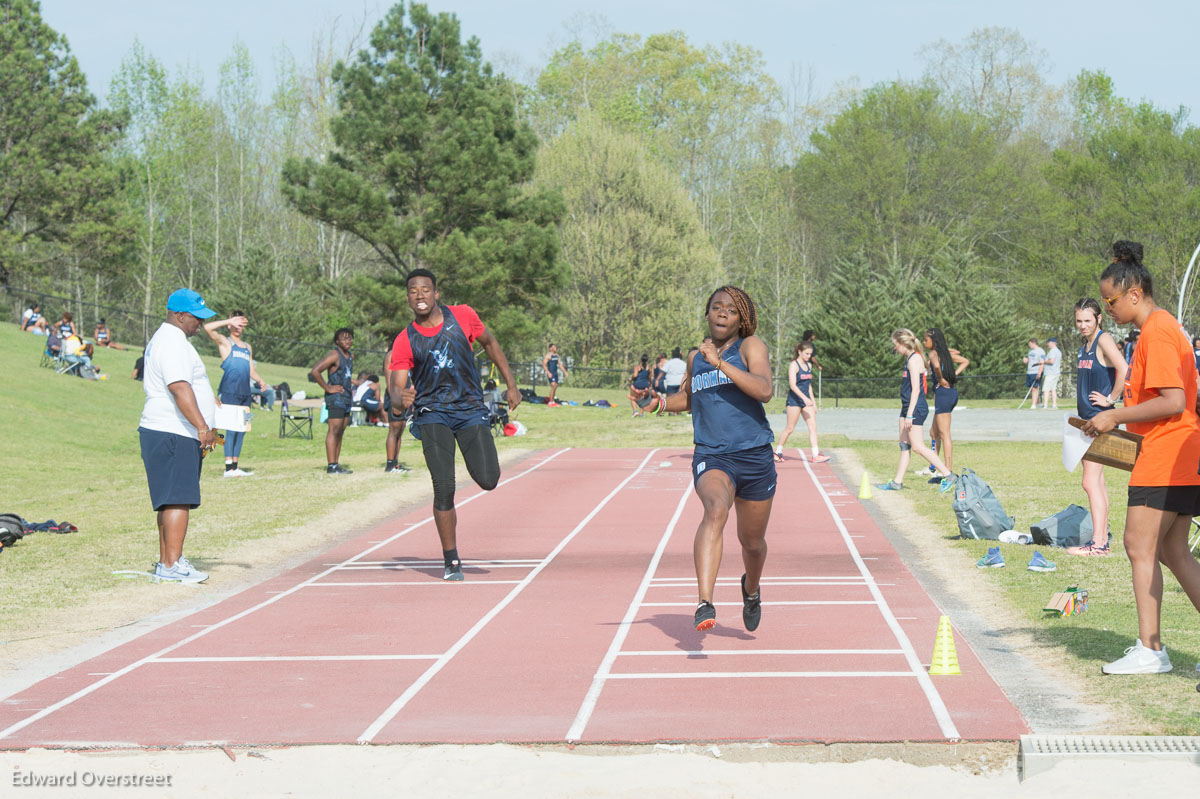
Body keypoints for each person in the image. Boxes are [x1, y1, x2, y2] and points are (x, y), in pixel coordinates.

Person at [1082, 241, 1200, 674]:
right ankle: (1151, 648)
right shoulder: (1165, 328)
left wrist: (1116, 415)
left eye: (1110, 301)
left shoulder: (1158, 331)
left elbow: (1173, 400)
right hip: (1176, 453)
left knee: (1137, 545)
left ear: (1134, 294)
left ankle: (1151, 650)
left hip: (1167, 455)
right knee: (1173, 550)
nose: (1107, 307)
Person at [654, 286, 776, 633]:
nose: (723, 313)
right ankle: (704, 601)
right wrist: (660, 403)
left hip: (754, 455)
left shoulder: (749, 347)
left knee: (752, 544)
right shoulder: (696, 357)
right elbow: (689, 399)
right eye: (717, 307)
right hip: (712, 455)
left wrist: (720, 363)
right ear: (707, 313)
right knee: (715, 509)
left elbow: (765, 390)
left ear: (742, 320)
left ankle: (751, 589)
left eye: (731, 310)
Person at [388, 268, 521, 581]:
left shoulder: (462, 316)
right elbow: (395, 390)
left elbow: (490, 342)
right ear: (407, 298)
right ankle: (451, 560)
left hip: (470, 409)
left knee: (489, 479)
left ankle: (473, 462)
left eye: (425, 290)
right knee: (443, 486)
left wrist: (511, 384)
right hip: (432, 413)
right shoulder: (405, 340)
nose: (419, 296)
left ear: (436, 294)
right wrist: (400, 399)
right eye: (413, 291)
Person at [137, 288, 218, 583]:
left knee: (171, 500)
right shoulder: (172, 342)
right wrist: (202, 427)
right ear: (180, 315)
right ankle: (172, 565)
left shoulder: (171, 339)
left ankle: (167, 562)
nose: (200, 324)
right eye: (197, 318)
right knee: (178, 499)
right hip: (173, 431)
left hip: (167, 431)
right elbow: (179, 387)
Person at [1068, 297, 1128, 556]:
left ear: (1098, 318)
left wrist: (1111, 399)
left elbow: (1125, 370)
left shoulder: (1103, 340)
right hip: (1086, 422)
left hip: (1099, 420)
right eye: (1079, 321)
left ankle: (1099, 543)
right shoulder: (1085, 345)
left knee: (1090, 482)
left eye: (1087, 320)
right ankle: (1101, 539)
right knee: (1097, 483)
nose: (1082, 325)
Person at [877, 329, 955, 492]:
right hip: (906, 407)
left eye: (895, 345)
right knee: (904, 445)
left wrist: (910, 414)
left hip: (916, 408)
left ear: (903, 344)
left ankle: (948, 475)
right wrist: (905, 412)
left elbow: (916, 391)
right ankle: (897, 482)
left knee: (918, 446)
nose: (894, 348)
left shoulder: (915, 360)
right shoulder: (909, 359)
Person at [204, 311, 260, 477]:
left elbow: (250, 369)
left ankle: (236, 465)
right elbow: (207, 328)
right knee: (231, 429)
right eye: (236, 324)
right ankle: (228, 468)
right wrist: (229, 320)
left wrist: (261, 381)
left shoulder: (247, 347)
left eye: (242, 325)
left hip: (245, 393)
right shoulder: (225, 343)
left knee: (243, 427)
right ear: (230, 325)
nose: (239, 328)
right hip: (230, 391)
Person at [923, 328, 969, 479]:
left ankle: (948, 471)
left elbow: (936, 366)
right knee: (933, 432)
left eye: (926, 340)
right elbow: (965, 361)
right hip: (948, 394)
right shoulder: (943, 353)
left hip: (944, 394)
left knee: (944, 434)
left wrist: (942, 378)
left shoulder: (933, 354)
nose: (924, 343)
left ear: (933, 341)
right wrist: (953, 375)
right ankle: (933, 467)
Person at [774, 341, 828, 463]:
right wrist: (804, 398)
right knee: (790, 428)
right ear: (800, 352)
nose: (809, 356)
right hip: (794, 401)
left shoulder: (809, 366)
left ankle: (815, 455)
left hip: (807, 401)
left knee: (813, 426)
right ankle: (778, 452)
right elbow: (793, 385)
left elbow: (808, 386)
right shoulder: (794, 365)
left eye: (810, 354)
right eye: (807, 353)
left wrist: (813, 403)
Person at [310, 328, 356, 474]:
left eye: (349, 338)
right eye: (344, 339)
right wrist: (328, 388)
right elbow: (315, 371)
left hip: (347, 397)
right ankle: (331, 465)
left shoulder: (349, 356)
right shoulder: (334, 354)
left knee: (341, 431)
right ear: (337, 341)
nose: (347, 341)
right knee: (334, 430)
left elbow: (347, 376)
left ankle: (336, 464)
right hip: (336, 398)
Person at [383, 347, 412, 474]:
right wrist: (395, 402)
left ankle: (396, 463)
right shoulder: (391, 355)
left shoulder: (406, 356)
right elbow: (390, 381)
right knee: (394, 431)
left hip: (405, 398)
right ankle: (390, 464)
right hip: (395, 399)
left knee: (400, 430)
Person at [1023, 338, 1045, 409]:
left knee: (1034, 388)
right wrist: (1026, 360)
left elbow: (1042, 363)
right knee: (1032, 388)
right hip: (1030, 371)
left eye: (1030, 344)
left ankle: (1033, 405)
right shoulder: (1030, 351)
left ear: (1033, 343)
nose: (1029, 345)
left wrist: (1039, 372)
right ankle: (1038, 403)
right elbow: (1030, 361)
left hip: (1036, 371)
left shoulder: (1040, 351)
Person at [1041, 337, 1062, 410]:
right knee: (1053, 389)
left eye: (1048, 343)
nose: (1047, 344)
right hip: (1056, 372)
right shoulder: (1058, 351)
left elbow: (1051, 361)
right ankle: (1054, 404)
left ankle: (1045, 405)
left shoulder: (1053, 351)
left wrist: (1044, 361)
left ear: (1053, 343)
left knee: (1046, 389)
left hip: (1051, 373)